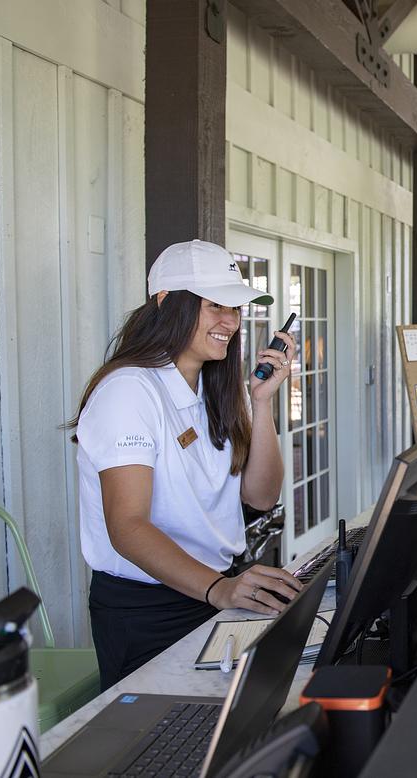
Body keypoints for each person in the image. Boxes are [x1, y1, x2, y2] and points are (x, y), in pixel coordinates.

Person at [69, 239, 303, 690]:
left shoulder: (213, 387)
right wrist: (219, 589)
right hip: (149, 610)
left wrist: (263, 404)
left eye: (235, 308)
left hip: (212, 591)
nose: (230, 322)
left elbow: (261, 496)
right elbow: (128, 527)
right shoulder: (129, 391)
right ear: (165, 303)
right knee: (160, 747)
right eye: (215, 305)